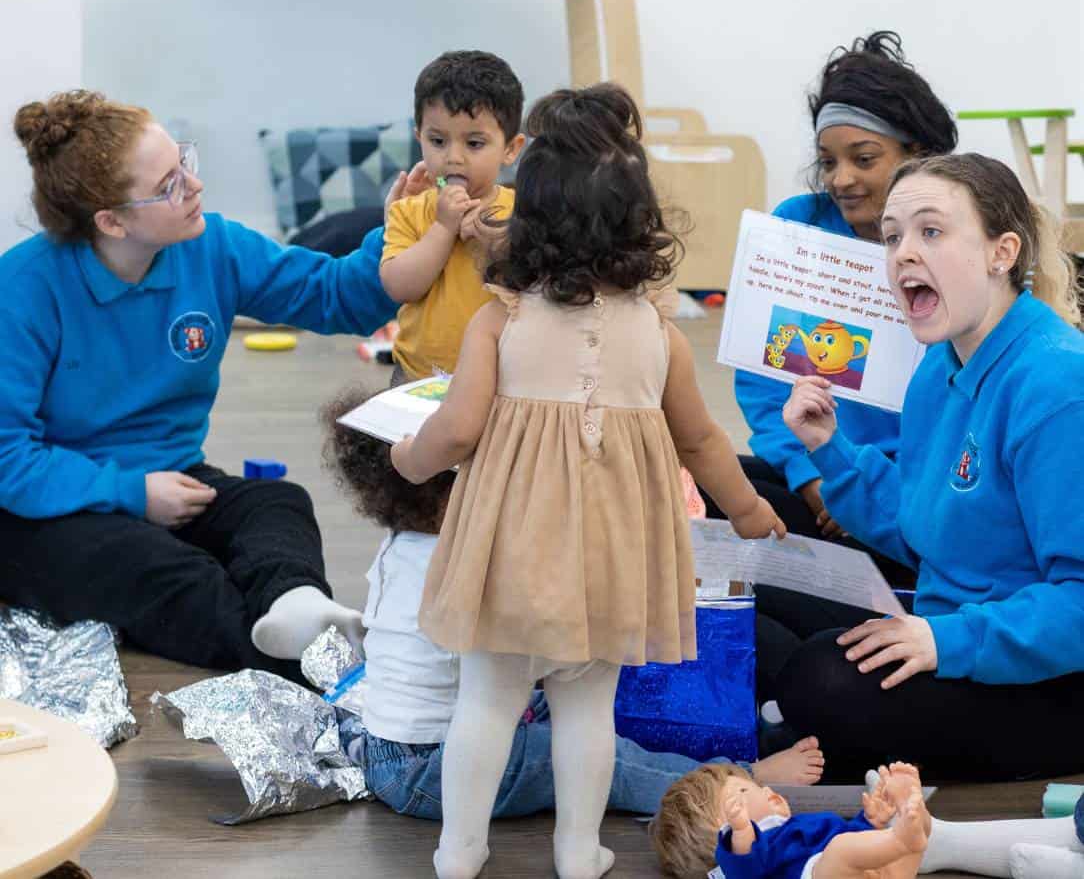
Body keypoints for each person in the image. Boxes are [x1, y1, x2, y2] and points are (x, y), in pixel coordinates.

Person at [390, 83, 785, 879]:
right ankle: (578, 851)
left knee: (487, 704)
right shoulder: (661, 335)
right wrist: (747, 511)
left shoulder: (500, 319)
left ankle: (459, 851)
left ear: (524, 218)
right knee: (587, 710)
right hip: (611, 561)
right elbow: (703, 442)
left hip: (511, 552)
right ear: (639, 225)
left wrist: (409, 459)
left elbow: (458, 428)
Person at [0, 90, 403, 685]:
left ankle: (295, 607)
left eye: (184, 162)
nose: (194, 186)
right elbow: (9, 460)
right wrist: (133, 493)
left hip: (170, 478)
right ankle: (323, 670)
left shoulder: (211, 246)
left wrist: (397, 230)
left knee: (277, 503)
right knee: (174, 573)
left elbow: (336, 295)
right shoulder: (24, 286)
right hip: (45, 513)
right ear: (111, 221)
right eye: (167, 184)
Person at [321, 384, 824, 823]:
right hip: (430, 767)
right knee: (606, 757)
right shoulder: (459, 562)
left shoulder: (407, 544)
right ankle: (737, 782)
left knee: (593, 712)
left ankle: (732, 746)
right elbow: (533, 649)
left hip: (406, 744)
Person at [774, 152, 1084, 779]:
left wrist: (942, 641)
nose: (902, 254)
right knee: (769, 600)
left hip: (1053, 680)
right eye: (893, 237)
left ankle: (788, 732)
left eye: (931, 231)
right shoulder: (940, 368)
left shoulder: (1058, 383)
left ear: (1003, 252)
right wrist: (829, 446)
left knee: (817, 678)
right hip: (953, 629)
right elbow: (923, 523)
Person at [729, 33, 956, 567]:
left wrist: (864, 482)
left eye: (864, 158)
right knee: (711, 485)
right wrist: (812, 476)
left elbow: (962, 414)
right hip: (817, 474)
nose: (841, 179)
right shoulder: (797, 226)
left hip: (914, 495)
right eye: (828, 161)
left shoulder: (956, 245)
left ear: (917, 155)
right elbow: (762, 383)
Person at [651, 760, 1084, 879]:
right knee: (840, 850)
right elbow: (741, 866)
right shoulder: (743, 855)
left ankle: (910, 831)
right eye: (745, 793)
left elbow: (844, 839)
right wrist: (741, 834)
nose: (763, 789)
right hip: (823, 873)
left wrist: (867, 819)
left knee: (848, 843)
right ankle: (905, 835)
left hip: (855, 870)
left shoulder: (791, 828)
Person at [380, 50, 526, 384]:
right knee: (408, 440)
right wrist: (443, 228)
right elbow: (399, 286)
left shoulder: (522, 213)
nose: (453, 158)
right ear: (419, 137)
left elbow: (534, 288)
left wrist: (494, 240)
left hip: (501, 378)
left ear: (511, 149)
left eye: (474, 143)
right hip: (417, 375)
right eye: (437, 141)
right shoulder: (409, 210)